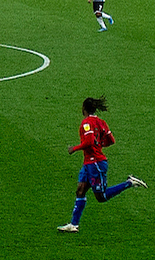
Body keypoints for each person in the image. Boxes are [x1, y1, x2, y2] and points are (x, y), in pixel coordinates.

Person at [59, 97, 144, 232]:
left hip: (96, 164)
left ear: (84, 109)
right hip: (89, 163)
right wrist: (100, 145)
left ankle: (129, 183)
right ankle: (73, 225)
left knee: (101, 197)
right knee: (80, 190)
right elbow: (111, 140)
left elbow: (89, 141)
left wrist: (74, 149)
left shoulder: (87, 123)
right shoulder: (101, 122)